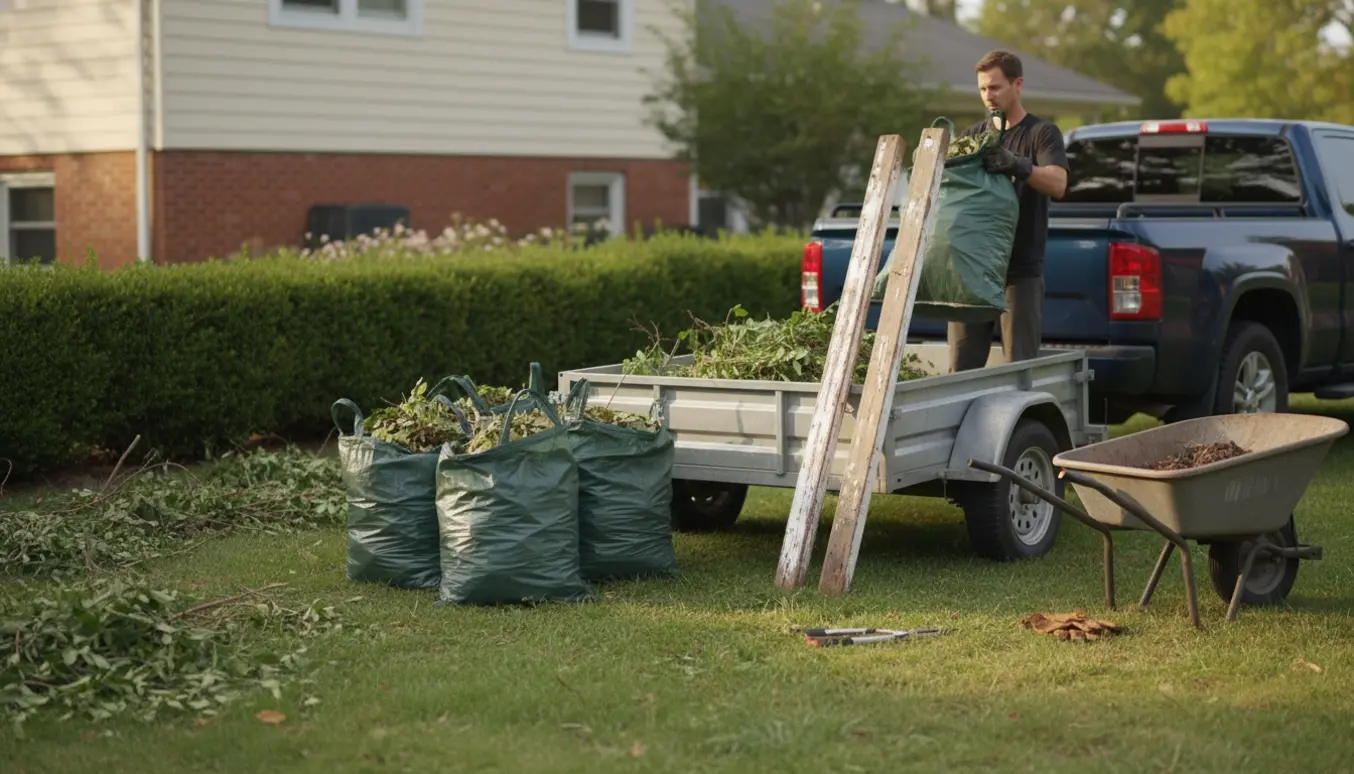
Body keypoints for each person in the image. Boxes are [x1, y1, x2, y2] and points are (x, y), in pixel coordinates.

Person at [948, 50, 1069, 374]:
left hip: (1020, 271)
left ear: (1018, 84)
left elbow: (1058, 183)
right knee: (961, 370)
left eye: (996, 87)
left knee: (1019, 372)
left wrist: (1018, 164)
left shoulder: (1041, 133)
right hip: (973, 271)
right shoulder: (972, 137)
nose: (989, 96)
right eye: (983, 89)